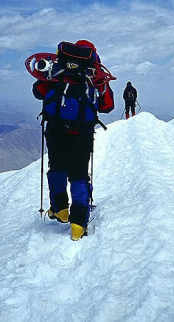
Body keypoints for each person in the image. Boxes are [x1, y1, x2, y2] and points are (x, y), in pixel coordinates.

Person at [32, 40, 114, 241]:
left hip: (54, 129)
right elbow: (107, 106)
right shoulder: (93, 74)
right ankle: (78, 224)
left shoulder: (57, 69)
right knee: (79, 174)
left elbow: (38, 92)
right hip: (82, 133)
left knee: (57, 167)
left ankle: (59, 209)